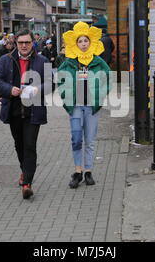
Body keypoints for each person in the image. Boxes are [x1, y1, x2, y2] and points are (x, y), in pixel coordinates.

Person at [0, 29, 52, 199]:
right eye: (21, 43)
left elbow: (50, 83)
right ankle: (24, 171)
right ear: (15, 43)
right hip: (13, 109)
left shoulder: (43, 60)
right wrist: (10, 89)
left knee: (30, 145)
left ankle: (27, 183)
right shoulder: (6, 60)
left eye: (27, 42)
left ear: (33, 42)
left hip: (34, 110)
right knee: (19, 144)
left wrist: (36, 89)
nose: (24, 46)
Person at [57, 22, 111, 189]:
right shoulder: (69, 62)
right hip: (75, 106)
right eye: (80, 41)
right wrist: (67, 100)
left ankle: (88, 171)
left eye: (85, 41)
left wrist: (99, 98)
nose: (83, 44)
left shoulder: (99, 61)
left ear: (90, 42)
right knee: (76, 139)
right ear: (76, 43)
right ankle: (77, 171)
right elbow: (61, 80)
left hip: (91, 107)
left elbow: (107, 80)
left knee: (90, 140)